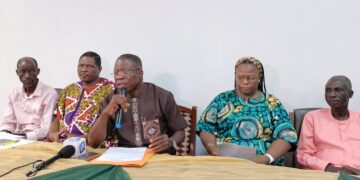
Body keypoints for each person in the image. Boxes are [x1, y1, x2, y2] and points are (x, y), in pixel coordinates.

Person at [196, 57, 297, 165]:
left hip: (262, 163)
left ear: (259, 77)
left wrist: (267, 157)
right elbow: (206, 126)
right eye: (240, 77)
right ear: (235, 76)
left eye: (251, 78)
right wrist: (211, 147)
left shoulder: (272, 103)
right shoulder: (222, 99)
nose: (245, 81)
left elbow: (287, 135)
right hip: (224, 161)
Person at [88, 54, 187, 154]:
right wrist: (105, 113)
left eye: (124, 71)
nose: (118, 77)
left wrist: (171, 142)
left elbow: (180, 132)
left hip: (157, 156)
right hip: (125, 157)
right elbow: (93, 142)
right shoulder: (111, 100)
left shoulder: (162, 96)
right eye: (116, 73)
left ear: (140, 73)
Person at [297, 75, 360, 175]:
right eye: (328, 90)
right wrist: (329, 168)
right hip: (324, 173)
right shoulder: (312, 117)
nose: (332, 95)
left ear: (350, 94)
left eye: (338, 90)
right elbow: (303, 155)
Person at [48, 51, 114, 142]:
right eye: (81, 66)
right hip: (62, 142)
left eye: (89, 66)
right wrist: (52, 135)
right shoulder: (69, 89)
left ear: (99, 69)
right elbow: (58, 118)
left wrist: (79, 139)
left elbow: (109, 126)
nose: (84, 69)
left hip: (93, 144)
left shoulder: (110, 90)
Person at [0, 57, 58, 140]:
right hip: (17, 137)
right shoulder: (13, 93)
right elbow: (8, 122)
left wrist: (22, 137)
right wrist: (4, 134)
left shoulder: (50, 94)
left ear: (38, 71)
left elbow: (46, 129)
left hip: (39, 139)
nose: (27, 76)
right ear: (17, 72)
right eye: (23, 72)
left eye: (32, 71)